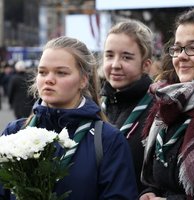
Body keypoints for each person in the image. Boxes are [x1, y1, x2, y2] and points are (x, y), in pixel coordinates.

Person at [1, 36, 138, 200]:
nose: (49, 79)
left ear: (83, 80)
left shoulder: (108, 140)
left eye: (61, 73)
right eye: (42, 72)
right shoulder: (14, 133)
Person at [140, 8, 194, 200]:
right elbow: (159, 176)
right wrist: (150, 192)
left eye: (193, 47)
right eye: (177, 48)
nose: (181, 56)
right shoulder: (168, 104)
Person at [100, 20, 154, 193]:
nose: (115, 64)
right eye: (109, 55)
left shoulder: (160, 110)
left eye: (126, 57)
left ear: (146, 65)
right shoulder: (95, 107)